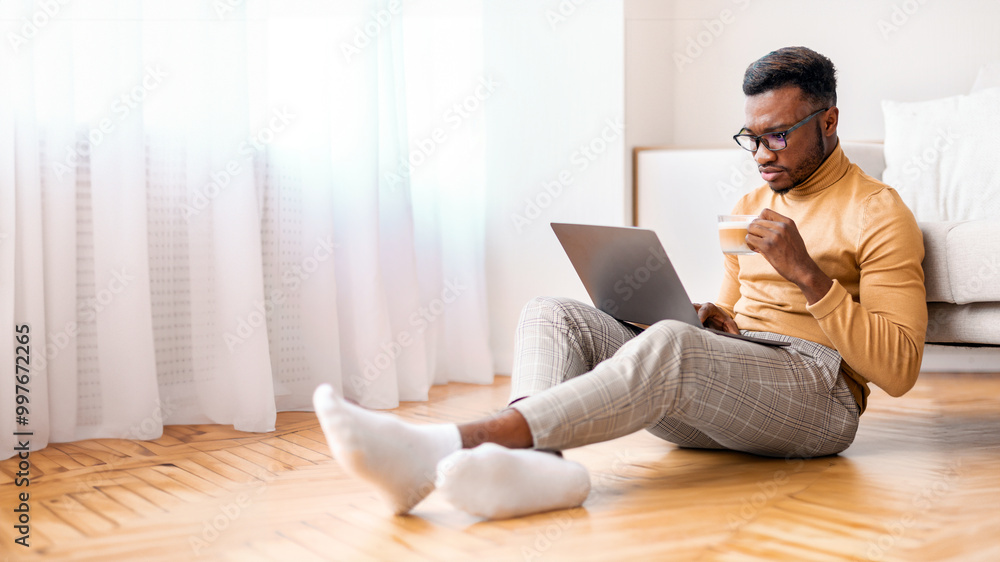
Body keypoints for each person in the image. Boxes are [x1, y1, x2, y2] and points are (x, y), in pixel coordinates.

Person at [311, 46, 927, 520]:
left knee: (671, 347)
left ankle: (447, 446)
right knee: (552, 312)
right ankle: (536, 469)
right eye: (751, 137)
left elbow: (898, 370)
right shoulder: (750, 200)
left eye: (779, 134)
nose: (761, 154)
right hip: (730, 385)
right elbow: (739, 318)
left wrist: (809, 276)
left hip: (819, 400)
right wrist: (708, 316)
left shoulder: (880, 211)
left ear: (830, 121)